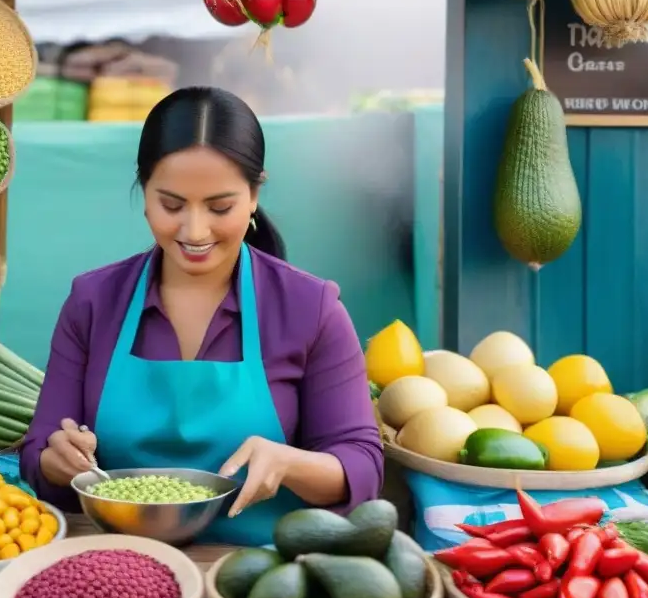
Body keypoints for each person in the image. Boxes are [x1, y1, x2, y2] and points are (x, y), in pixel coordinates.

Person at [20, 86, 383, 546]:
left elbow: (363, 466)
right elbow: (39, 455)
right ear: (144, 193)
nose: (194, 231)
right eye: (171, 205)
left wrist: (291, 463)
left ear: (254, 195)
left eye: (220, 207)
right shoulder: (93, 302)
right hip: (123, 567)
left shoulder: (311, 308)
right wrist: (59, 459)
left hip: (265, 578)